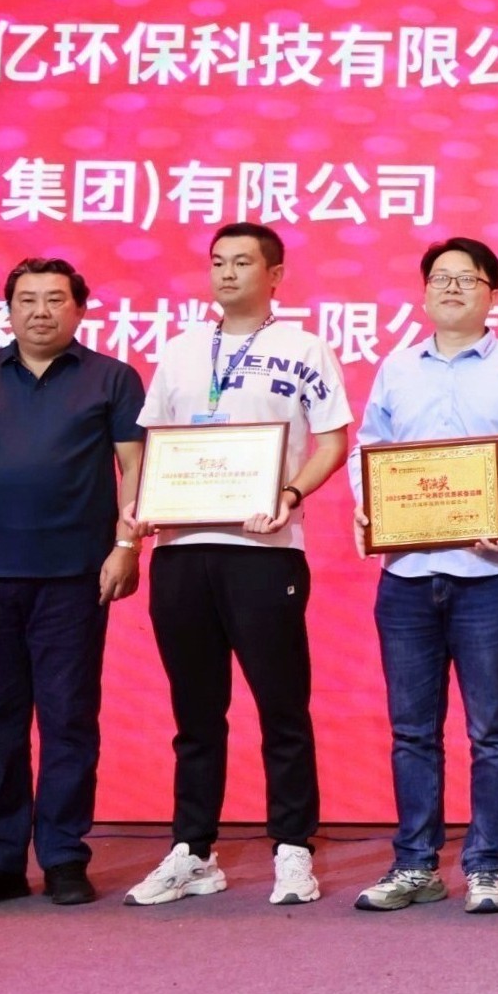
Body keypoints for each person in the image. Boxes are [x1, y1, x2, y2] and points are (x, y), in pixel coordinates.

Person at [124, 224, 351, 908]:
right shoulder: (180, 350)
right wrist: (138, 508)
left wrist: (290, 494)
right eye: (218, 262)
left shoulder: (305, 348)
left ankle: (293, 848)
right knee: (195, 712)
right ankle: (193, 851)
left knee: (282, 707)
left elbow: (333, 441)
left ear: (274, 275)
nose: (226, 273)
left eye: (242, 262)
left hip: (264, 552)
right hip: (180, 551)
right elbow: (151, 445)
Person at [0, 258, 145, 910]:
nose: (41, 311)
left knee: (69, 719)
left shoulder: (112, 378)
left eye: (55, 299)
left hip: (74, 577)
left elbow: (136, 468)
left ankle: (64, 855)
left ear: (80, 309)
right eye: (27, 300)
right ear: (9, 309)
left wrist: (127, 547)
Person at [348, 237, 498, 916]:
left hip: (487, 576)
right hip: (407, 575)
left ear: (492, 294)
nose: (451, 289)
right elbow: (368, 450)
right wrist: (369, 506)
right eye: (440, 278)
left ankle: (486, 866)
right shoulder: (396, 368)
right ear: (423, 293)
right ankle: (415, 864)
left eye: (467, 279)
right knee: (411, 730)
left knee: (491, 730)